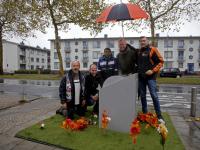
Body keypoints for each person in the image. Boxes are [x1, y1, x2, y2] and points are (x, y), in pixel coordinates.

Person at [129, 36, 165, 123]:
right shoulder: (139, 51)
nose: (142, 42)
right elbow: (133, 49)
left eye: (144, 41)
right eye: (141, 41)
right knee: (143, 96)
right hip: (141, 78)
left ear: (147, 41)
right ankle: (144, 113)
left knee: (154, 95)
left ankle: (159, 114)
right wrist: (126, 44)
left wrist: (152, 71)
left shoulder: (152, 49)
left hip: (150, 78)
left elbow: (160, 61)